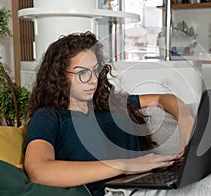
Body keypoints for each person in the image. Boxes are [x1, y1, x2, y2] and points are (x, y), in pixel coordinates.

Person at [23, 31, 194, 196]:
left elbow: (164, 99)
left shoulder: (111, 104)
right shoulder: (49, 118)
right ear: (59, 76)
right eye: (82, 73)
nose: (93, 80)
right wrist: (126, 166)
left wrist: (185, 121)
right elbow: (39, 171)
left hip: (151, 182)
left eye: (96, 71)